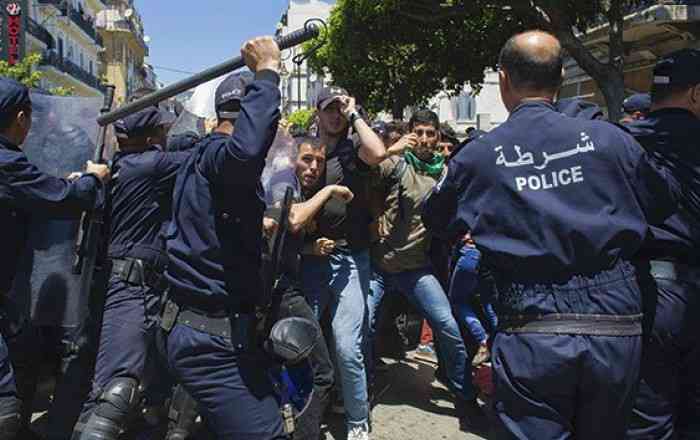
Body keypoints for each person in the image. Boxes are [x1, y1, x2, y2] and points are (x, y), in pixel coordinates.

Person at [423, 30, 682, 439]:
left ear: (503, 79)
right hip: (615, 324)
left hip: (532, 327)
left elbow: (437, 220)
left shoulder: (477, 156)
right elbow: (664, 201)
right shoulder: (612, 139)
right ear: (560, 78)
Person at [162, 37, 289, 439]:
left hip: (214, 330)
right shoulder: (221, 157)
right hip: (210, 341)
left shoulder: (200, 159)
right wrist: (267, 72)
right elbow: (246, 153)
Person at [0, 77, 110, 440]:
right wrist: (92, 179)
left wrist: (61, 181)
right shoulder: (7, 162)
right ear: (20, 118)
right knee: (6, 400)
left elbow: (31, 191)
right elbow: (64, 199)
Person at [72, 106, 191, 440]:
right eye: (162, 130)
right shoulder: (150, 165)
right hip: (132, 287)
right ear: (151, 137)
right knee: (114, 393)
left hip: (128, 285)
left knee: (115, 392)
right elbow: (209, 157)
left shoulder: (115, 169)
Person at [365, 109, 484, 432]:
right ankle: (361, 388)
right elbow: (366, 170)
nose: (426, 139)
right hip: (379, 264)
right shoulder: (397, 163)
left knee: (446, 324)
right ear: (410, 132)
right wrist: (390, 150)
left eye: (431, 133)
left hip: (415, 268)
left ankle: (465, 397)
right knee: (363, 324)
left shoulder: (445, 172)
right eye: (419, 132)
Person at [299, 85, 385, 440]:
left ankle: (357, 421)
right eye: (329, 108)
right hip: (309, 258)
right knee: (304, 341)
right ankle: (306, 413)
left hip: (349, 258)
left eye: (340, 108)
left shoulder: (354, 150)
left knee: (347, 345)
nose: (335, 114)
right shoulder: (306, 149)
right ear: (317, 112)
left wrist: (355, 114)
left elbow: (378, 151)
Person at [624, 49, 700, 440]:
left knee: (647, 422)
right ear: (696, 95)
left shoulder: (620, 142)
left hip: (639, 296)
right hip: (688, 294)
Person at [264, 136, 353, 440]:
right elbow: (292, 218)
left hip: (274, 286)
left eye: (319, 161)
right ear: (293, 159)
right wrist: (328, 191)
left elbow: (280, 235)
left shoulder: (294, 185)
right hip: (278, 290)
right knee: (322, 372)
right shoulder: (283, 179)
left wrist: (309, 249)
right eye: (307, 159)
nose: (314, 167)